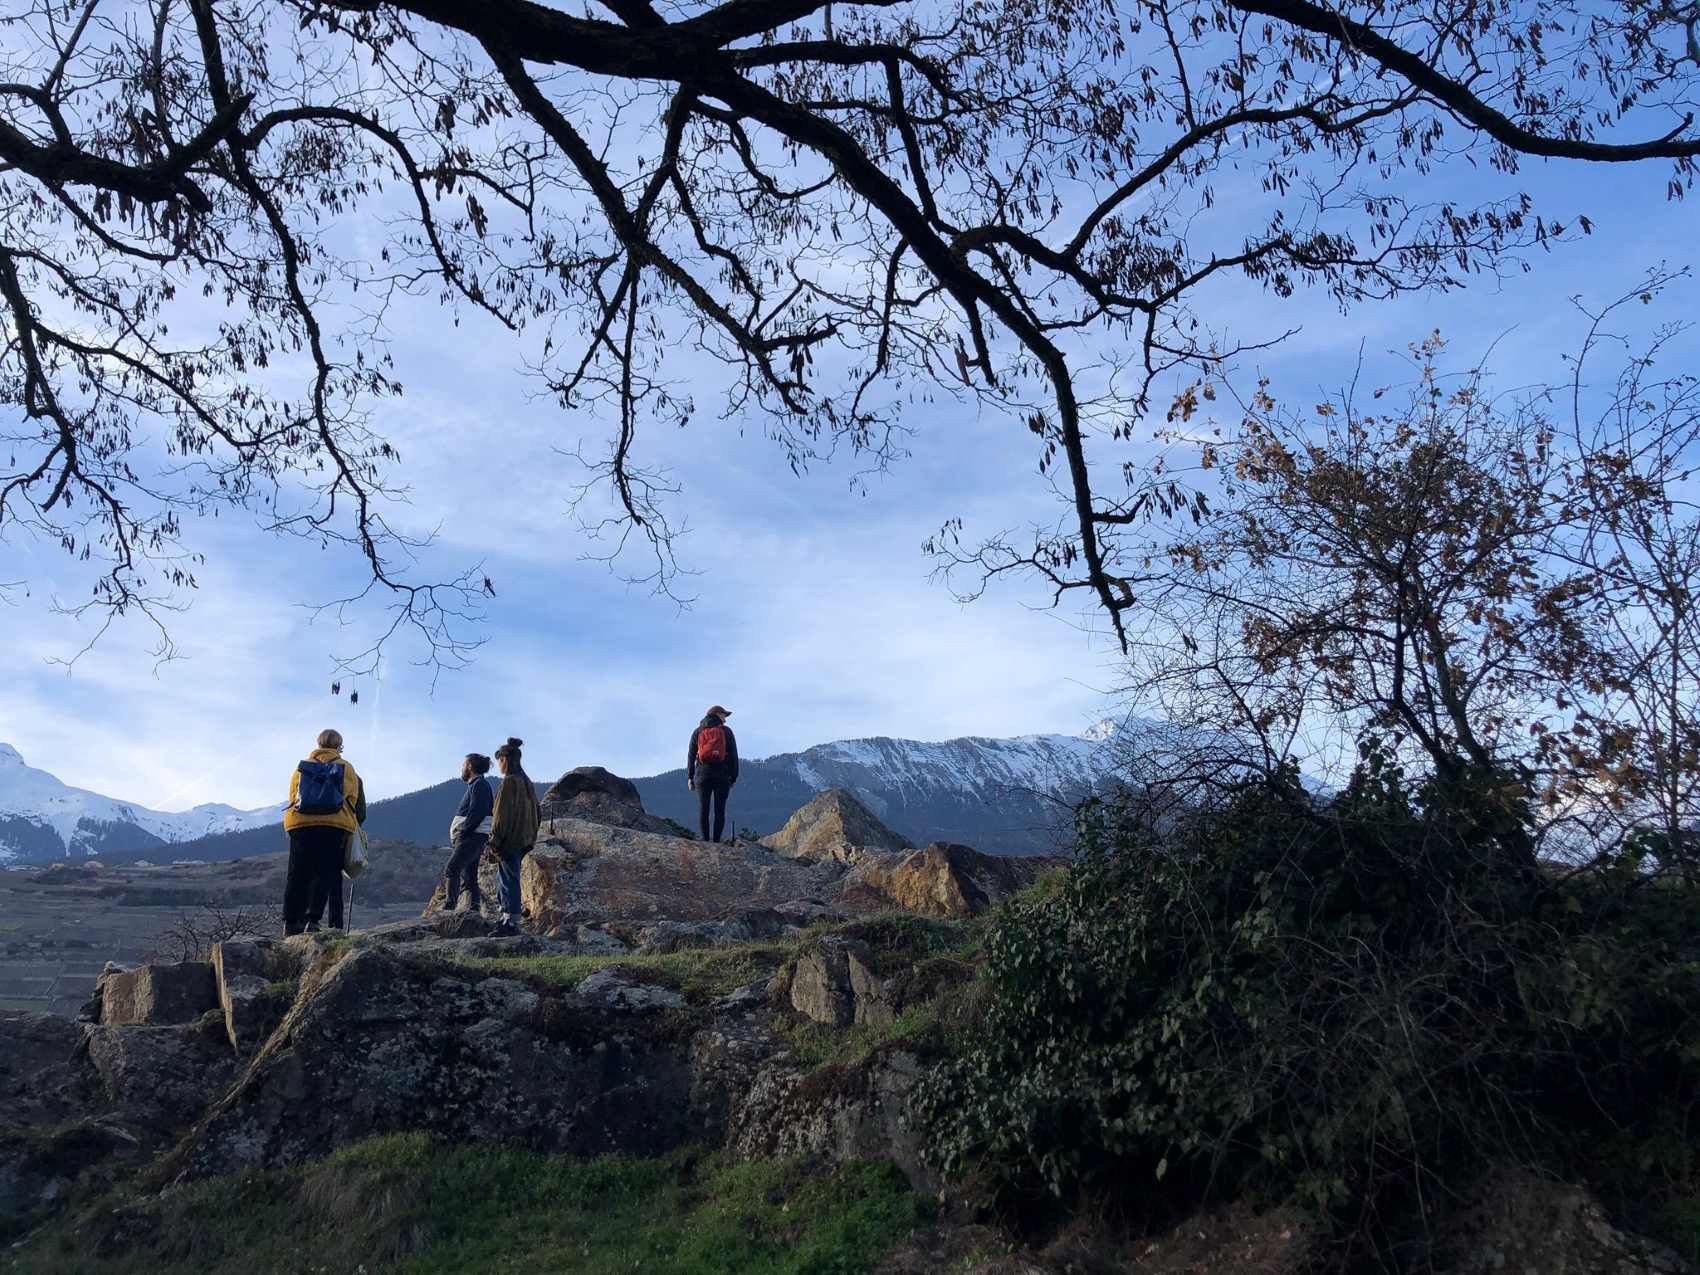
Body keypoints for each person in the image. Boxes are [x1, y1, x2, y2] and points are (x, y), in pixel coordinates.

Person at [282, 729, 366, 936]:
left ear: (318, 744)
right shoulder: (347, 768)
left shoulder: (301, 768)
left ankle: (290, 922)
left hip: (300, 825)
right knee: (325, 872)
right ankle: (313, 920)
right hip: (333, 826)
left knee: (297, 873)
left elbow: (293, 795)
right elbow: (352, 799)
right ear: (339, 746)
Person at [488, 737, 540, 933]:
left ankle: (510, 921)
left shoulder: (509, 782)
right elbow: (538, 812)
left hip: (509, 840)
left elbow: (501, 815)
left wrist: (494, 839)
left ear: (506, 760)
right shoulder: (527, 783)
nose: (499, 764)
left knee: (508, 879)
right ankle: (506, 918)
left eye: (500, 760)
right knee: (507, 877)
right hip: (524, 839)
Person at [441, 752, 495, 913]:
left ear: (470, 766)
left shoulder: (479, 785)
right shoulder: (477, 785)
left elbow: (477, 811)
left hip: (472, 836)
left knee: (452, 868)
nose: (462, 768)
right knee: (470, 876)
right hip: (474, 835)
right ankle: (473, 909)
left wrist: (464, 832)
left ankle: (450, 906)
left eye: (463, 765)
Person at [687, 705, 739, 843]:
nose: (725, 720)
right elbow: (734, 755)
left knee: (703, 808)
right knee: (719, 810)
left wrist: (690, 777)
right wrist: (733, 777)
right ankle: (716, 842)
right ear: (716, 714)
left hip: (702, 774)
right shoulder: (726, 731)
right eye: (724, 715)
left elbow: (691, 756)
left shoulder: (697, 732)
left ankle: (705, 841)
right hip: (722, 774)